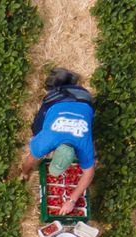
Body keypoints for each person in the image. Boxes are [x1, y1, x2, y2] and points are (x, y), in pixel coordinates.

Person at [12, 68, 97, 209]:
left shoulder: (83, 145)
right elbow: (29, 162)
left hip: (79, 97)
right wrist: (25, 172)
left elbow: (89, 174)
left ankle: (65, 82)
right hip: (71, 97)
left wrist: (71, 200)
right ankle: (63, 82)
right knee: (37, 128)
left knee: (38, 128)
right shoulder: (53, 140)